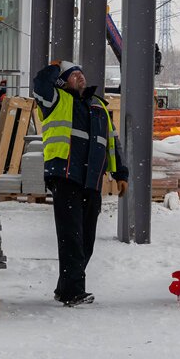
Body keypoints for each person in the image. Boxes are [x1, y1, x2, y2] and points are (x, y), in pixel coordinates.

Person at [32, 60, 126, 307]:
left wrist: (121, 174)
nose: (81, 77)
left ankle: (65, 288)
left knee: (86, 240)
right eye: (74, 74)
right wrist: (55, 66)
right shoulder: (55, 101)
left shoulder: (99, 107)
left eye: (82, 73)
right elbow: (41, 84)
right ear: (63, 82)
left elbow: (112, 144)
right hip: (65, 176)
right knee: (71, 237)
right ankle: (74, 291)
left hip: (91, 180)